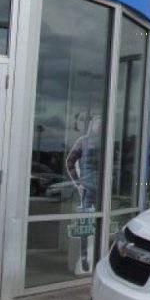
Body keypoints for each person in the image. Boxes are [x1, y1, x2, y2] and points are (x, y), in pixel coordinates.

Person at [66, 115, 102, 274]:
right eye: (96, 123)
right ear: (91, 125)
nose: (99, 126)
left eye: (101, 124)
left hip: (101, 190)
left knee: (100, 224)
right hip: (87, 189)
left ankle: (99, 257)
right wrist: (77, 183)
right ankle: (84, 258)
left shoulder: (105, 142)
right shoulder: (83, 141)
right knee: (85, 226)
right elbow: (70, 162)